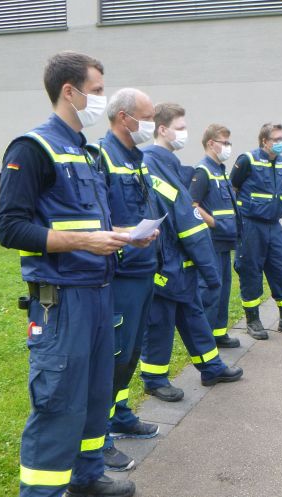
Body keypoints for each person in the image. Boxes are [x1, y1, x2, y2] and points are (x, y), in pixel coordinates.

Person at [0, 52, 152, 497]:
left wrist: (123, 239)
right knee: (57, 406)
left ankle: (85, 478)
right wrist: (85, 240)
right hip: (61, 304)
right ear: (70, 90)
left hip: (98, 292)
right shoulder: (33, 147)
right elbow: (10, 228)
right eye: (97, 88)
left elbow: (90, 221)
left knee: (94, 394)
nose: (101, 99)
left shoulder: (84, 152)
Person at [139, 103, 243, 398]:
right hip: (166, 261)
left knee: (193, 315)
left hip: (179, 261)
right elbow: (186, 221)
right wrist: (210, 271)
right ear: (162, 129)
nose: (185, 133)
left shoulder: (166, 162)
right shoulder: (154, 162)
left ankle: (211, 367)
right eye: (181, 128)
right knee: (160, 321)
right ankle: (154, 379)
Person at [88, 88, 161, 472]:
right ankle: (97, 438)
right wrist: (129, 234)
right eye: (148, 117)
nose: (152, 124)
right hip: (120, 272)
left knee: (130, 351)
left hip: (143, 267)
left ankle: (120, 414)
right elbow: (96, 221)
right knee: (112, 354)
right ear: (123, 117)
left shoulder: (137, 158)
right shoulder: (101, 157)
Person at [230, 123, 282, 340]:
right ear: (264, 141)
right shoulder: (247, 160)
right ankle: (253, 321)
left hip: (274, 226)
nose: (281, 143)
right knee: (250, 270)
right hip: (250, 225)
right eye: (277, 139)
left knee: (281, 269)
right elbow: (232, 189)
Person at [189, 124, 240, 349]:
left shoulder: (221, 170)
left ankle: (219, 334)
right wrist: (216, 224)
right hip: (211, 241)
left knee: (223, 290)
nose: (228, 147)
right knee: (210, 292)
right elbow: (192, 205)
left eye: (229, 143)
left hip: (225, 242)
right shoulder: (203, 171)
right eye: (224, 143)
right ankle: (206, 340)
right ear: (211, 143)